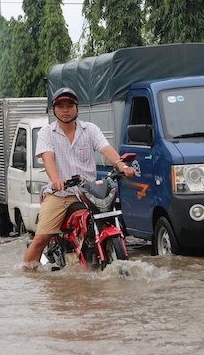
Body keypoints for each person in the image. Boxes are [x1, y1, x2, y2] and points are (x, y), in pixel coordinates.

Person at [22, 87, 135, 270]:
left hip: (87, 193)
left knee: (107, 216)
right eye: (60, 106)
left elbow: (106, 149)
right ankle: (26, 274)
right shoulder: (46, 133)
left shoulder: (90, 130)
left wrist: (122, 166)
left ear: (77, 108)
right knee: (42, 237)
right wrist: (56, 180)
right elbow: (48, 158)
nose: (65, 110)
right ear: (54, 109)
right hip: (60, 194)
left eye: (69, 105)